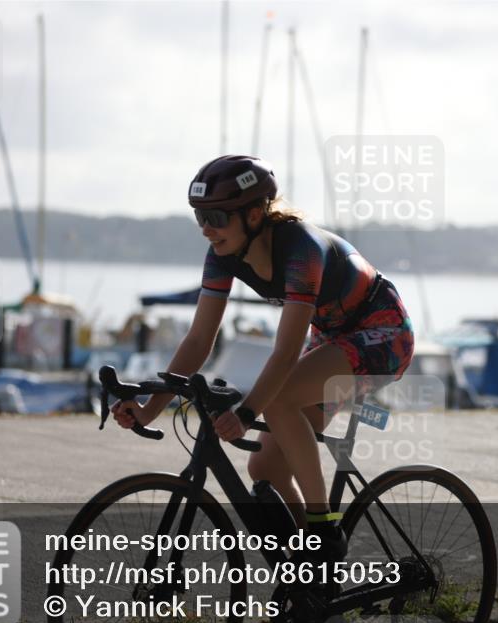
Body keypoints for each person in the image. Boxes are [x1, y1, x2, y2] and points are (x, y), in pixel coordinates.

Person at [112, 155, 414, 564]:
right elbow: (200, 339)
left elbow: (286, 353)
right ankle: (313, 573)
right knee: (265, 471)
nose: (206, 228)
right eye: (199, 216)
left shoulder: (301, 252)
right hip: (332, 335)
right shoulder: (222, 253)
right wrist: (150, 410)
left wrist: (248, 409)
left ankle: (323, 525)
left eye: (217, 217)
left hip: (383, 333)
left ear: (255, 215)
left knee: (280, 398)